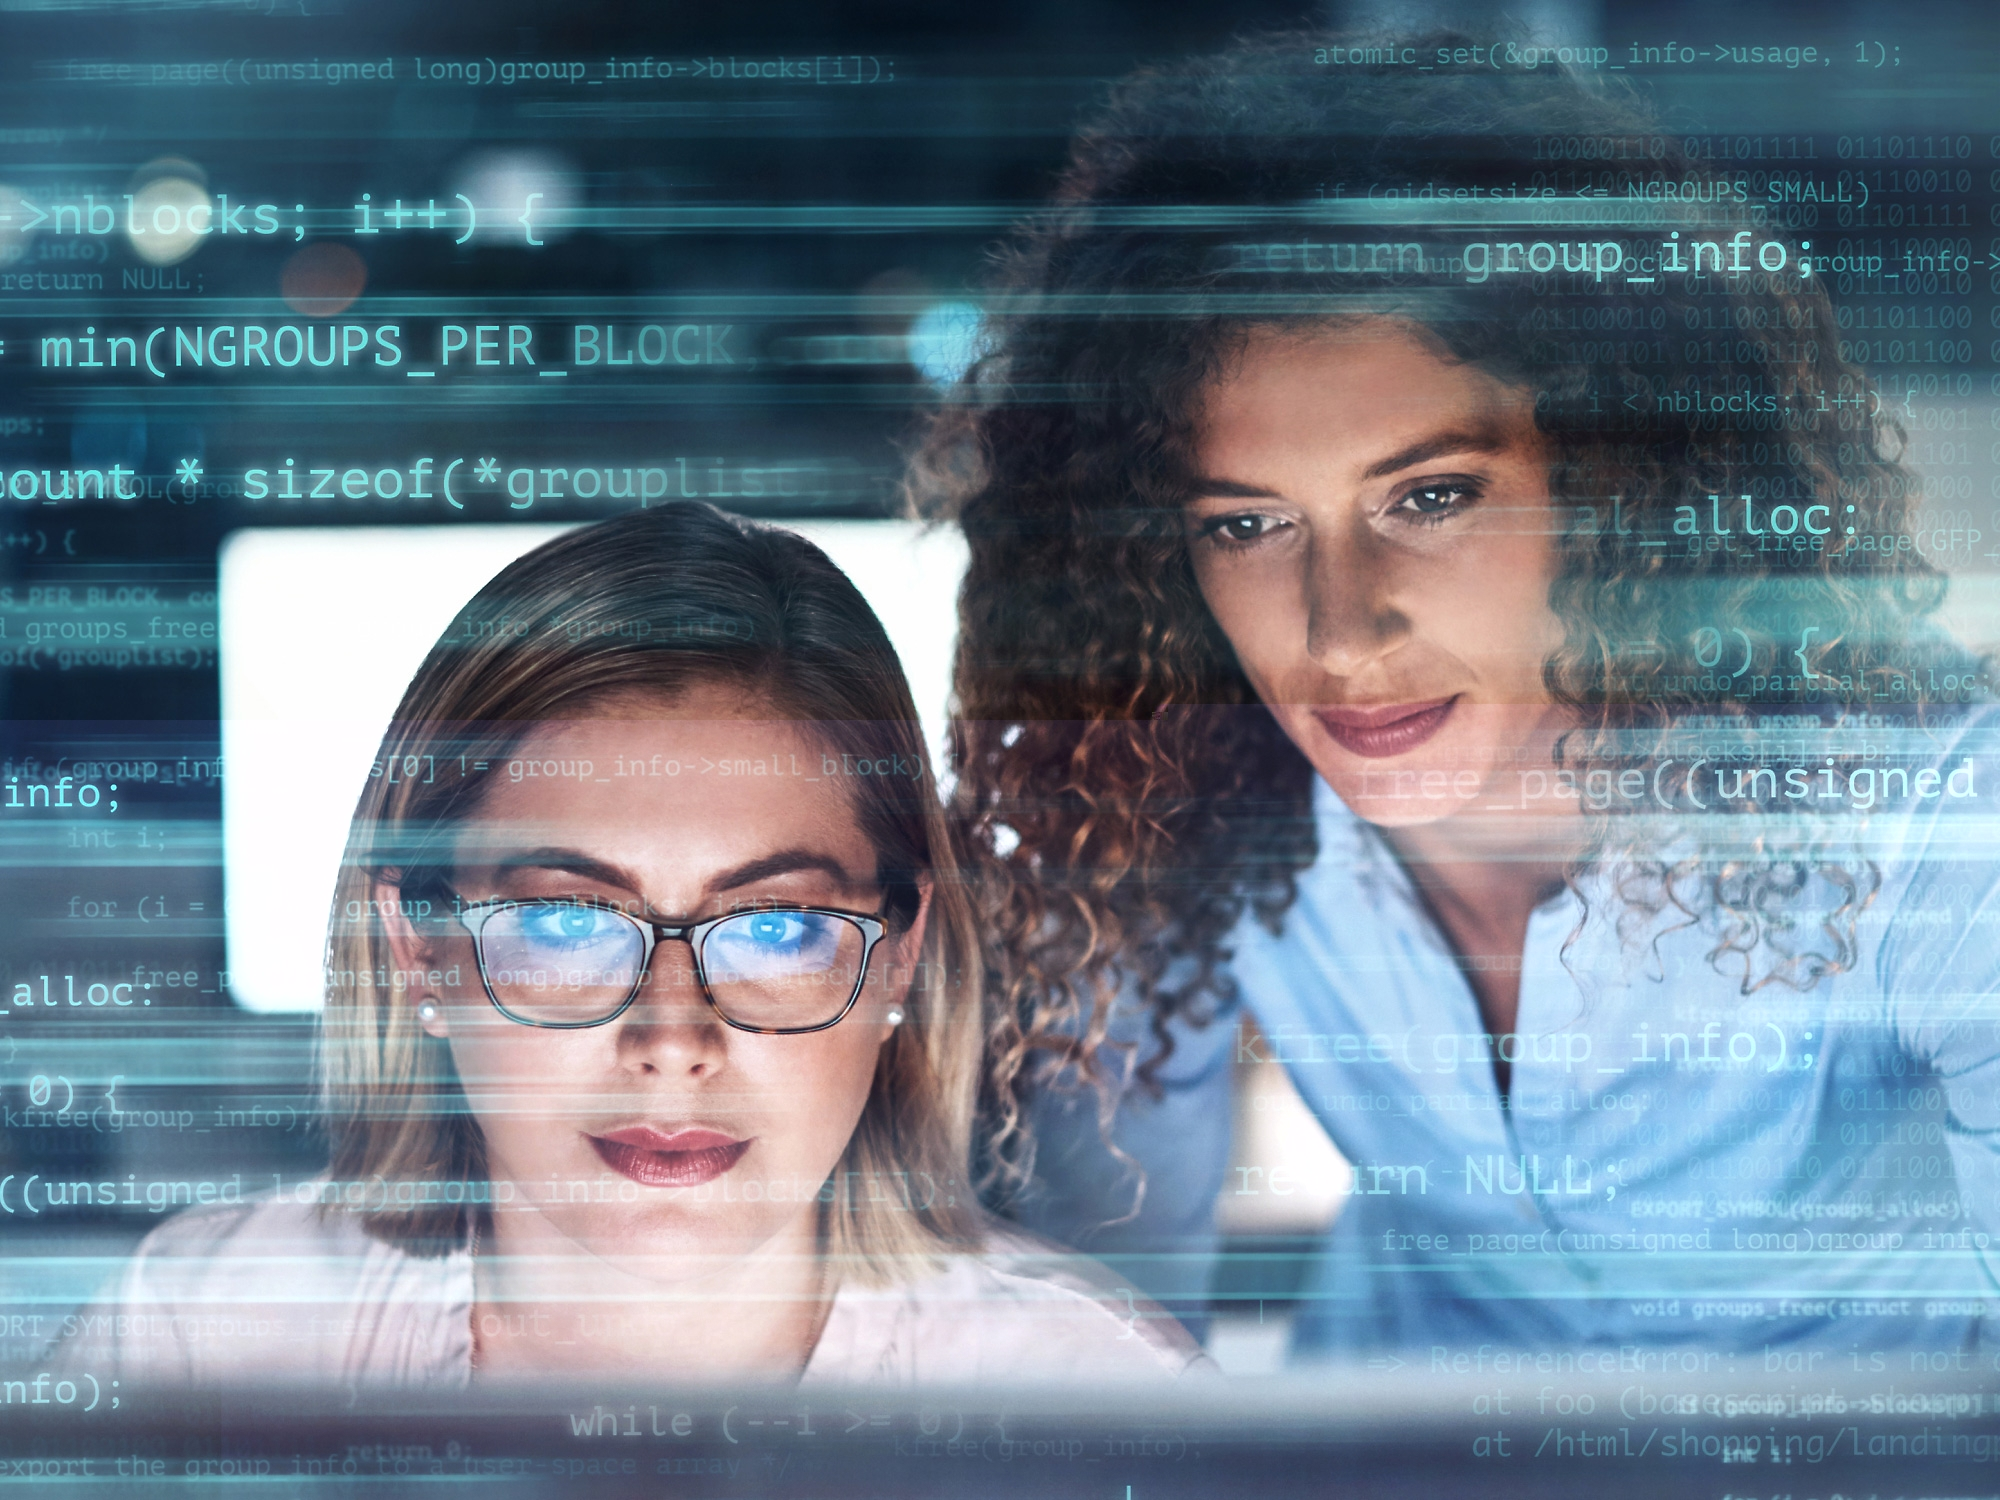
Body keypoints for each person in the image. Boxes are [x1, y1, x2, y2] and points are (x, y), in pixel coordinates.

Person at [917, 30, 2000, 1362]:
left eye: (1429, 497)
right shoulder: (1186, 804)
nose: (1340, 631)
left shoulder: (1937, 832)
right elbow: (1086, 1340)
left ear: (1627, 482)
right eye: (1248, 526)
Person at [51, 503, 1206, 1390]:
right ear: (418, 951)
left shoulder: (1096, 1408)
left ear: (897, 958)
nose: (672, 1038)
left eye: (777, 927)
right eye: (562, 921)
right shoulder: (202, 1341)